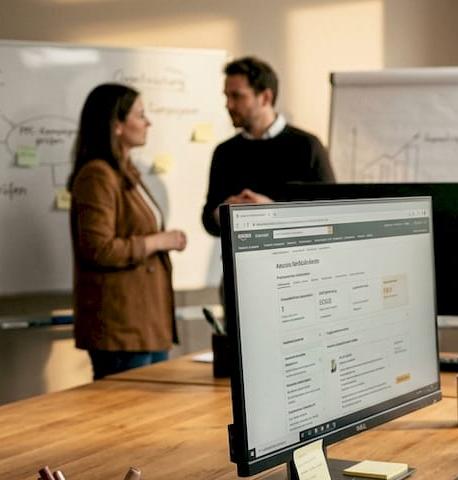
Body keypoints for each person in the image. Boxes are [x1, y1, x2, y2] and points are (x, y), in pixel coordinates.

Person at [69, 83, 187, 380]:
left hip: (144, 322)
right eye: (140, 115)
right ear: (117, 125)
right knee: (128, 408)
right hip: (121, 327)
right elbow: (98, 248)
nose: (148, 122)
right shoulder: (97, 175)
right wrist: (157, 241)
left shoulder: (125, 172)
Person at [201, 56, 335, 236]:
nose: (228, 105)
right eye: (226, 96)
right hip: (240, 254)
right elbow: (208, 220)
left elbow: (331, 216)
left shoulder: (308, 146)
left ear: (265, 97)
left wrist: (272, 212)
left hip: (297, 252)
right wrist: (224, 212)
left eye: (237, 96)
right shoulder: (224, 152)